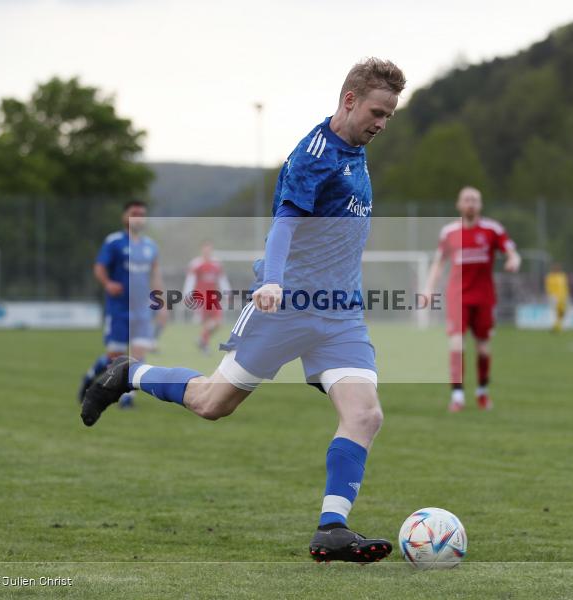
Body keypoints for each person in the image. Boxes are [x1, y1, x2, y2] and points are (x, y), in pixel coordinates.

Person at [81, 58, 406, 563]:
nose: (383, 124)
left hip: (340, 314)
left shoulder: (357, 149)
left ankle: (332, 528)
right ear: (349, 101)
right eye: (378, 112)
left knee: (365, 414)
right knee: (213, 403)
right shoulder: (313, 156)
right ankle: (130, 374)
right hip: (286, 307)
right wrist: (273, 281)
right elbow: (284, 226)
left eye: (389, 115)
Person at [422, 186, 521, 412]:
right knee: (457, 344)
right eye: (466, 200)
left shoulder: (493, 230)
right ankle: (457, 396)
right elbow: (439, 263)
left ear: (480, 205)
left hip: (485, 297)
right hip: (458, 296)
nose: (470, 204)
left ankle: (482, 392)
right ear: (458, 204)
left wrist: (513, 260)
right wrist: (428, 288)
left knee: (484, 348)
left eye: (474, 200)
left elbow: (512, 251)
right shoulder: (449, 233)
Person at [77, 200, 167, 408]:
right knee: (115, 357)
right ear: (124, 216)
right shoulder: (114, 242)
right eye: (134, 213)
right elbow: (99, 267)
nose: (138, 217)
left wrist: (160, 304)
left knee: (138, 354)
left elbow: (155, 276)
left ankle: (127, 397)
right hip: (118, 309)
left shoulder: (150, 246)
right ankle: (90, 377)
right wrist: (108, 283)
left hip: (142, 310)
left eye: (142, 214)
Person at [183, 241, 231, 354]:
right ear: (202, 250)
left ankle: (201, 340)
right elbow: (190, 280)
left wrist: (227, 293)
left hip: (213, 297)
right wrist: (187, 295)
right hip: (201, 297)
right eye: (205, 250)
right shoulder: (196, 264)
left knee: (218, 323)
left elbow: (222, 280)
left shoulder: (216, 264)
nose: (207, 252)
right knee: (207, 323)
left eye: (209, 250)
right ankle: (205, 346)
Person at [545, 263, 570, 333]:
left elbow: (565, 286)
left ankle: (558, 326)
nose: (557, 269)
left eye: (558, 268)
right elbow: (548, 287)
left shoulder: (562, 276)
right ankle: (555, 327)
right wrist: (551, 295)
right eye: (555, 268)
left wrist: (567, 295)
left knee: (562, 312)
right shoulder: (550, 276)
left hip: (563, 296)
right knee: (555, 312)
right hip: (554, 297)